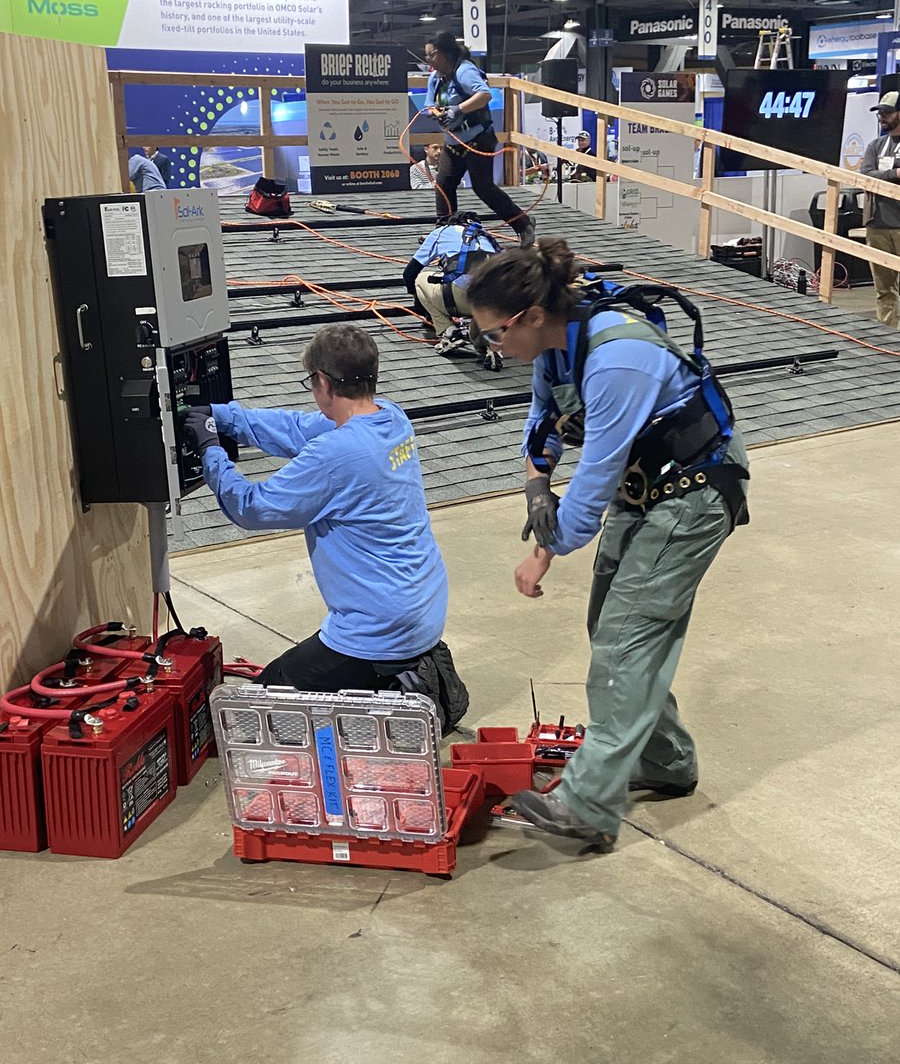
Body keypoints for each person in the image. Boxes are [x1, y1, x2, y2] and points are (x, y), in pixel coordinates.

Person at [466, 239, 750, 852]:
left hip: (693, 494)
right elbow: (541, 431)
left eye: (493, 334)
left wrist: (550, 531)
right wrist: (538, 496)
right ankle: (666, 762)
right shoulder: (553, 349)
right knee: (611, 627)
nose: (490, 346)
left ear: (532, 316)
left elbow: (589, 490)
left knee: (627, 637)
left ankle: (588, 805)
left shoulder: (619, 358)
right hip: (644, 490)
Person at [183, 325, 454, 702]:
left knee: (262, 702)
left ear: (323, 381)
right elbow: (298, 429)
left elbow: (252, 507)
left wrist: (212, 450)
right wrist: (225, 418)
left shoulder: (336, 454)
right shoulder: (391, 418)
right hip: (423, 609)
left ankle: (380, 684)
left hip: (379, 630)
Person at [425, 29, 535, 246]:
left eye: (431, 54)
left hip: (478, 140)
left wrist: (458, 109)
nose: (428, 60)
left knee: (483, 187)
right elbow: (429, 104)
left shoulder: (464, 71)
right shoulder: (436, 79)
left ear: (444, 53)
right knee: (444, 184)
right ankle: (443, 233)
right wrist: (435, 113)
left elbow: (484, 94)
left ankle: (523, 224)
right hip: (453, 143)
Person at [408, 215, 503, 367]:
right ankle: (492, 346)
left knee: (420, 279)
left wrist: (421, 307)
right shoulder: (487, 237)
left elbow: (409, 274)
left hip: (458, 298)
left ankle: (449, 331)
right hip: (495, 304)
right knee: (479, 328)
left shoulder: (442, 231)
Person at [860, 91, 900, 328]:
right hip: (877, 225)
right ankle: (887, 336)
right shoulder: (875, 146)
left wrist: (881, 176)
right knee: (883, 288)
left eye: (887, 113)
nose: (882, 117)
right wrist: (894, 174)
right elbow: (865, 175)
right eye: (880, 113)